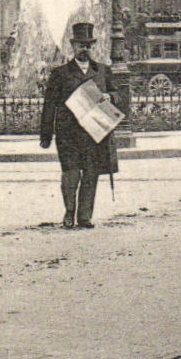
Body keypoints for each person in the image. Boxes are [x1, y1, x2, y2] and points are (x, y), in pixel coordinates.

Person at [40, 22, 127, 229]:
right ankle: (69, 212)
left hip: (94, 133)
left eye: (88, 45)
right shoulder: (60, 73)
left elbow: (119, 95)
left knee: (90, 174)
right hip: (68, 134)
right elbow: (49, 105)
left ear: (93, 46)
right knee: (70, 174)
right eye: (81, 45)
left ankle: (85, 216)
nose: (85, 49)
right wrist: (46, 135)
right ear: (72, 45)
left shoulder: (103, 71)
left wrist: (109, 96)